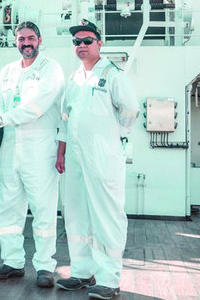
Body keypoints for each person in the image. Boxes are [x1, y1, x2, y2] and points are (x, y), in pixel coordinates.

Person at [0, 21, 65, 288]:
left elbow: (35, 108)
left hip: (40, 148)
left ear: (40, 40)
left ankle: (45, 266)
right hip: (11, 147)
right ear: (15, 41)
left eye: (31, 38)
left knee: (43, 208)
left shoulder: (51, 69)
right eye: (21, 38)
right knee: (7, 207)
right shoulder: (7, 72)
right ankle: (12, 261)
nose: (26, 43)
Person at [55, 19, 138, 300]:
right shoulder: (74, 79)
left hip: (103, 156)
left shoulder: (112, 74)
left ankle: (109, 279)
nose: (82, 45)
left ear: (99, 43)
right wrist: (61, 152)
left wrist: (111, 137)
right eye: (77, 42)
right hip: (75, 157)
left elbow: (130, 110)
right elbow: (65, 118)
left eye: (87, 40)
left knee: (106, 215)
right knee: (76, 214)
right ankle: (82, 272)